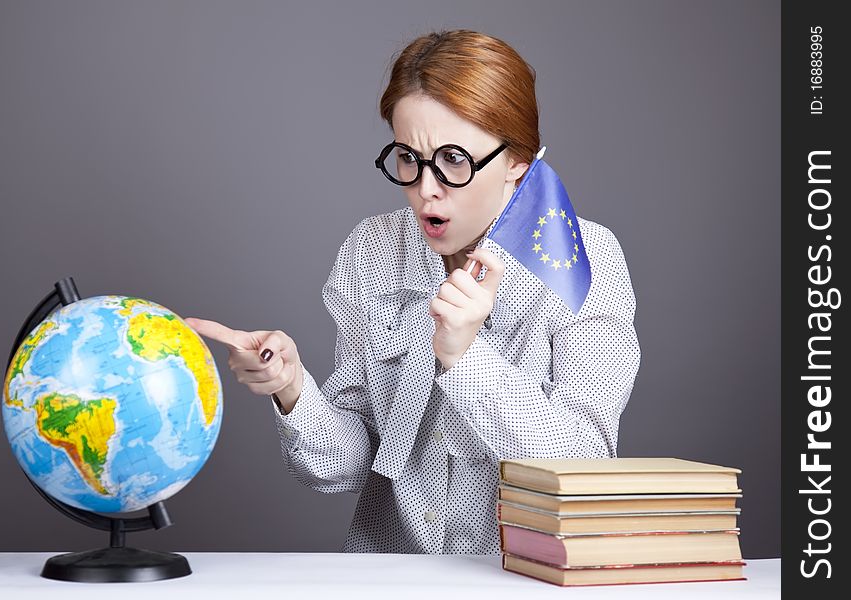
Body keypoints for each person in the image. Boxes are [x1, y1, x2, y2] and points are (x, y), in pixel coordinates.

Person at [186, 29, 640, 554]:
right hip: (393, 575)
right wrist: (291, 388)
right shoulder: (372, 251)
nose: (426, 188)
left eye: (454, 160)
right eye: (408, 157)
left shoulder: (588, 261)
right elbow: (343, 468)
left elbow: (583, 467)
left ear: (518, 162)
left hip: (526, 578)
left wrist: (467, 360)